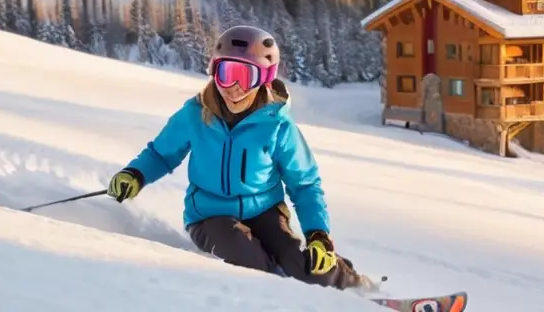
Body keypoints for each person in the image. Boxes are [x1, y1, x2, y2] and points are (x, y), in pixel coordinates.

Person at [106, 25, 365, 291]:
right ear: (214, 71)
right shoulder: (196, 114)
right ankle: (280, 297)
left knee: (304, 264)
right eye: (226, 73)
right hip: (209, 216)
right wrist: (135, 174)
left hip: (265, 212)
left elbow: (304, 183)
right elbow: (161, 154)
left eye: (246, 75)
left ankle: (358, 289)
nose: (234, 87)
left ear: (264, 77)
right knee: (249, 263)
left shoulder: (277, 124)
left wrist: (318, 234)